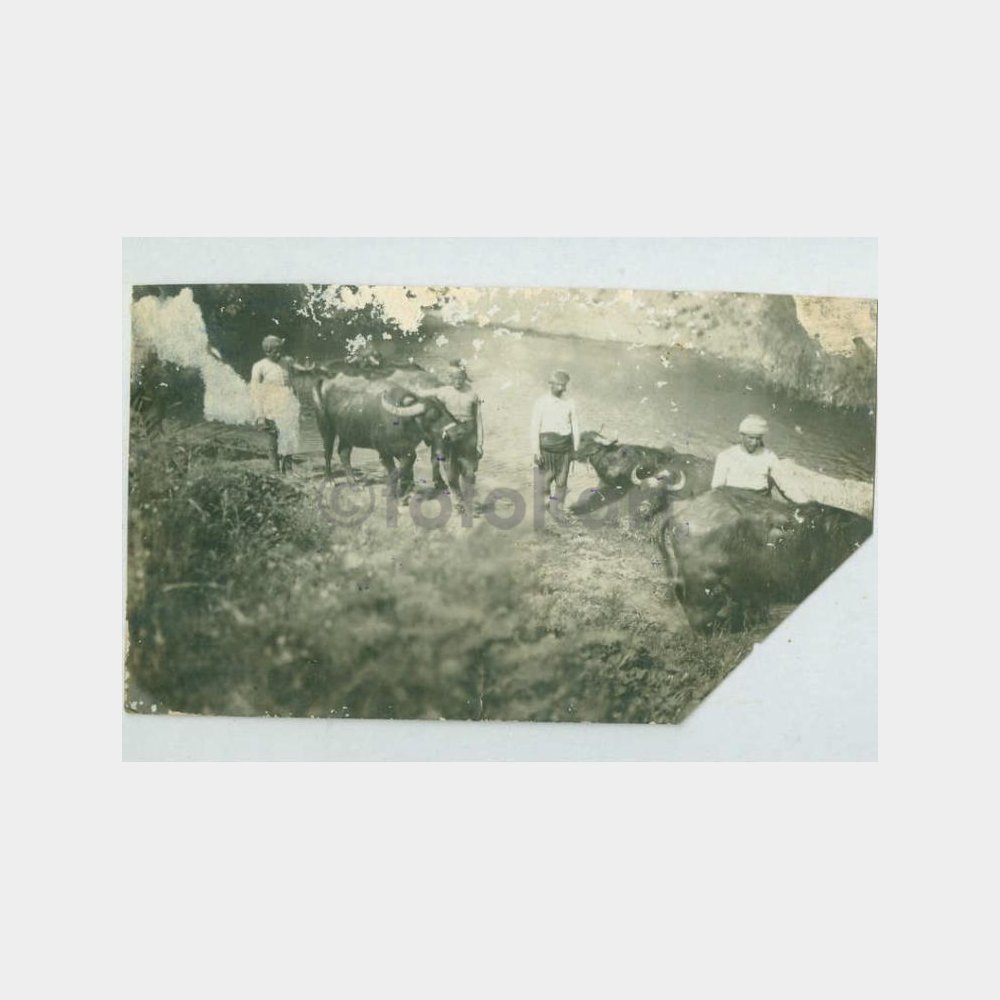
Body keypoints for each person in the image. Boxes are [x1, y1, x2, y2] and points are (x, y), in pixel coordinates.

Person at [418, 360, 484, 512]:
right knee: (451, 473)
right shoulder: (444, 392)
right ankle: (457, 498)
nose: (457, 381)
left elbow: (479, 420)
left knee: (469, 472)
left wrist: (480, 443)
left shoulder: (473, 395)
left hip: (468, 435)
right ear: (450, 378)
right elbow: (426, 397)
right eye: (454, 378)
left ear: (465, 377)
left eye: (460, 377)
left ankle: (470, 501)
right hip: (449, 436)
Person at [249, 335, 314, 473]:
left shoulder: (286, 362)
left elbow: (293, 380)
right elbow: (255, 391)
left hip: (287, 405)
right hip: (270, 407)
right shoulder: (259, 366)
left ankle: (288, 469)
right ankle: (275, 470)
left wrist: (297, 403)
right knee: (273, 439)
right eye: (275, 351)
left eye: (280, 350)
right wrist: (260, 415)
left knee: (289, 436)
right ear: (268, 351)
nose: (279, 354)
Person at [530, 369, 581, 517]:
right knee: (545, 480)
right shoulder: (541, 402)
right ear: (551, 384)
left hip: (565, 447)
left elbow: (575, 425)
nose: (562, 388)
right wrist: (536, 451)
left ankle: (557, 508)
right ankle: (547, 502)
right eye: (558, 384)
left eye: (564, 385)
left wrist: (576, 448)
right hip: (546, 447)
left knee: (562, 481)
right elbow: (534, 427)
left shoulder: (570, 402)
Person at [711, 414, 781, 495]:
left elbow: (782, 482)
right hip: (733, 498)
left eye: (758, 438)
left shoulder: (770, 456)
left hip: (760, 498)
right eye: (751, 438)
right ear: (742, 436)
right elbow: (717, 489)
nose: (754, 442)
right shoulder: (725, 456)